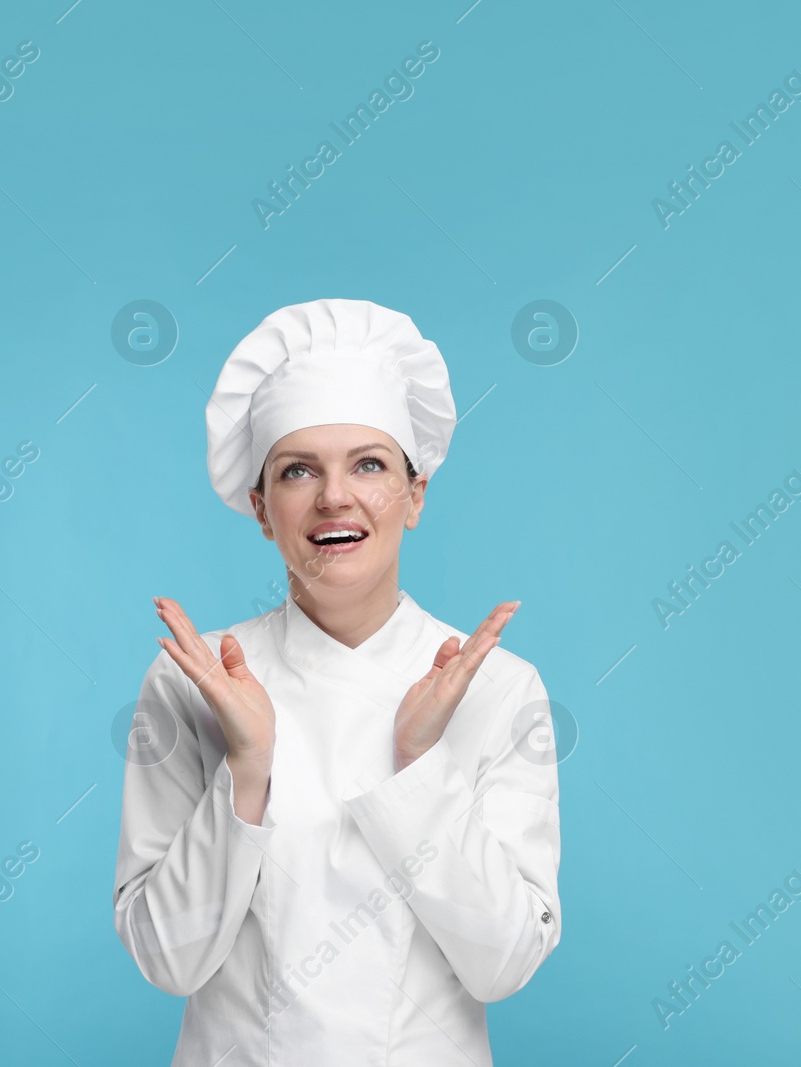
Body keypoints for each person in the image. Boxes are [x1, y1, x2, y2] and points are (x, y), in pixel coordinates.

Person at [113, 297, 562, 1065]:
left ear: (414, 496)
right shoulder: (197, 678)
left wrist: (420, 763)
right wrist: (247, 768)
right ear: (261, 508)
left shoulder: (497, 688)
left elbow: (505, 963)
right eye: (297, 470)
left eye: (370, 464)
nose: (334, 497)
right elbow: (168, 959)